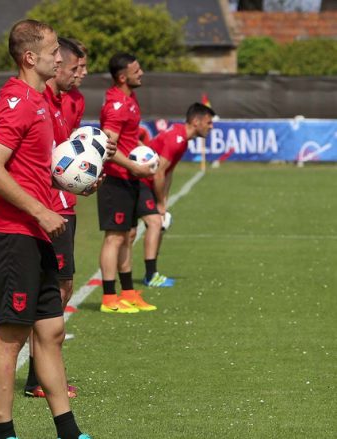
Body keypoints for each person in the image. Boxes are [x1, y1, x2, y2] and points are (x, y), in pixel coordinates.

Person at [0, 20, 90, 439]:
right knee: (12, 335)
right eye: (52, 51)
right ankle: (4, 432)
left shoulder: (40, 100)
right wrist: (41, 212)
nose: (60, 57)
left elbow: (36, 169)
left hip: (40, 231)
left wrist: (76, 182)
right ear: (30, 58)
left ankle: (69, 431)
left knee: (50, 331)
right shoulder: (17, 101)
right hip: (13, 233)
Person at [23, 38, 115, 399]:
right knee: (50, 291)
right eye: (75, 67)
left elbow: (66, 154)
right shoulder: (35, 99)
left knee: (61, 286)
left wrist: (90, 164)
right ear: (56, 64)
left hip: (65, 205)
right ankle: (37, 377)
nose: (82, 73)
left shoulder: (74, 102)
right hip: (44, 208)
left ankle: (41, 373)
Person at [97, 52, 157, 314]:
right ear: (122, 77)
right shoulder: (116, 106)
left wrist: (143, 149)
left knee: (128, 235)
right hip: (116, 179)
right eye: (136, 69)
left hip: (130, 178)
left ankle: (129, 293)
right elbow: (109, 148)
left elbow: (127, 139)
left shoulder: (130, 99)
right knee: (114, 238)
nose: (141, 72)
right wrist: (134, 166)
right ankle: (109, 298)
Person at [148, 102, 216, 260]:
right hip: (140, 183)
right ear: (196, 122)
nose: (211, 126)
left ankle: (151, 274)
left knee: (158, 225)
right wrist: (160, 203)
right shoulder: (177, 139)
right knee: (153, 224)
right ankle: (149, 275)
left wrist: (164, 199)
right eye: (208, 122)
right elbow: (159, 173)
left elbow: (168, 172)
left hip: (148, 183)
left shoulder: (182, 138)